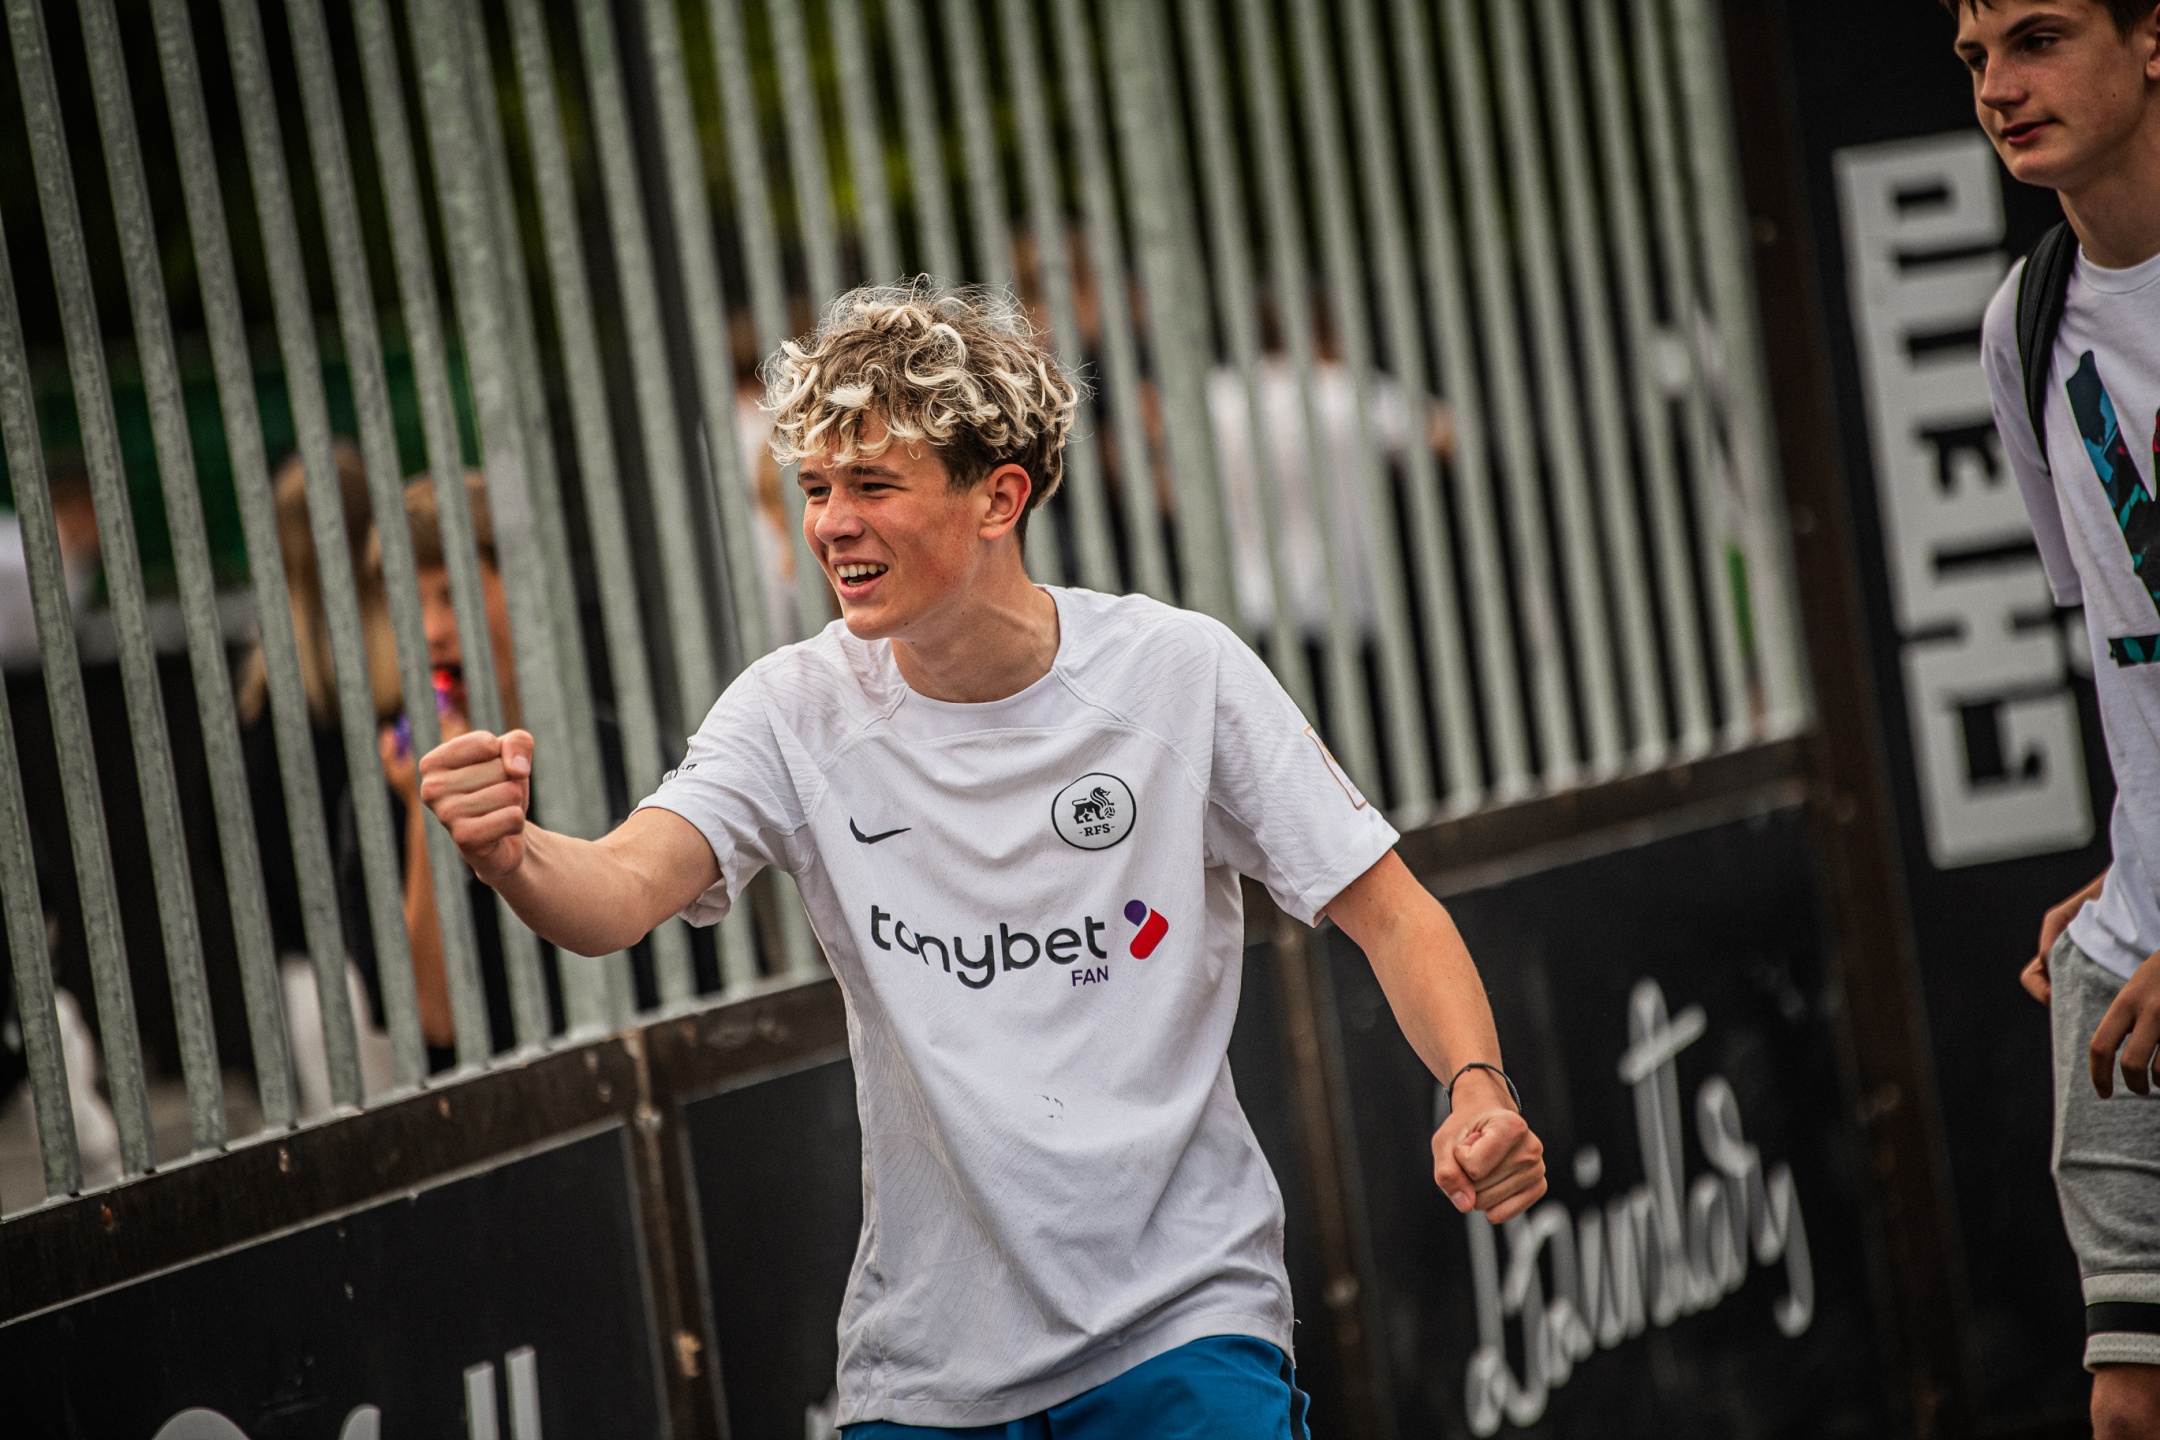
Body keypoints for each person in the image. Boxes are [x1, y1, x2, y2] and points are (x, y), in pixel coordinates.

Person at [417, 281, 1545, 1435]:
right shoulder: (791, 709)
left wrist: (1476, 1088)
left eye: (873, 485)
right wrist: (515, 851)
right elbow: (617, 894)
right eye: (815, 488)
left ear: (999, 496)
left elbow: (1392, 911)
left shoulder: (1176, 672)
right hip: (928, 1376)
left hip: (1186, 1329)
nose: (831, 524)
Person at [1959, 1, 2160, 1433]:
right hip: (2129, 947)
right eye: (1975, 58)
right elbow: (2126, 639)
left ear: (2153, 38)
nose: (2000, 88)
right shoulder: (2021, 328)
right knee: (2127, 1403)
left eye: (2037, 39)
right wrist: (2137, 853)